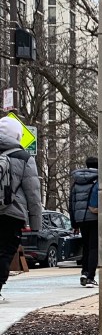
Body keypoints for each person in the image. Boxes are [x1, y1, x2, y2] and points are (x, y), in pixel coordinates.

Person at [0, 115, 43, 303]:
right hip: (12, 213)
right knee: (5, 252)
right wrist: (36, 223)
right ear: (17, 135)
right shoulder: (24, 157)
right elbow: (33, 193)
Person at [69, 155, 99, 287]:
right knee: (94, 247)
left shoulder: (76, 182)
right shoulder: (99, 180)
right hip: (95, 217)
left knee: (86, 246)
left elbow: (72, 203)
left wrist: (74, 223)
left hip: (81, 219)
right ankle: (90, 277)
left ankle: (84, 272)